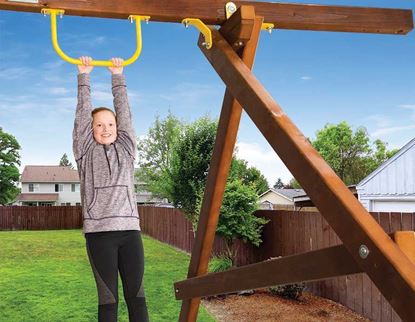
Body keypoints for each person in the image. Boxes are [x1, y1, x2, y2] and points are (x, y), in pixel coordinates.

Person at [73, 56, 149, 322]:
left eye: (110, 124)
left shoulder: (127, 149)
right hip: (99, 235)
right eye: (99, 125)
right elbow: (83, 114)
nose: (106, 129)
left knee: (137, 299)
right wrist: (84, 76)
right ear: (90, 130)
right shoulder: (85, 151)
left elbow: (125, 113)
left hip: (130, 232)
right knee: (109, 301)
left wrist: (118, 77)